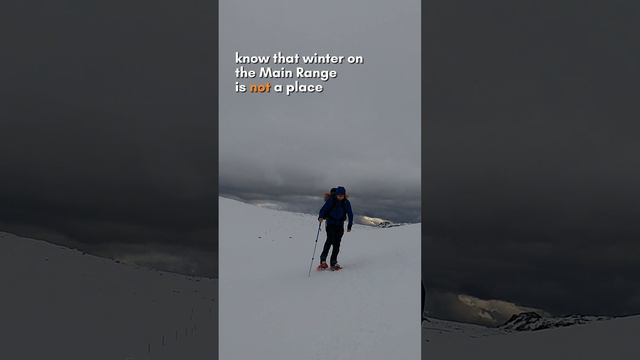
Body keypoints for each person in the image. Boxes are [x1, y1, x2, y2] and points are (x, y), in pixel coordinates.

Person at [317, 186, 353, 271]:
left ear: (344, 195)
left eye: (342, 195)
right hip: (330, 224)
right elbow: (323, 209)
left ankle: (333, 262)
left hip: (340, 225)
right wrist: (320, 217)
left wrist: (349, 225)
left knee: (337, 244)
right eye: (339, 195)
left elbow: (350, 214)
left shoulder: (346, 203)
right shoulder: (331, 201)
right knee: (329, 240)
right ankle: (323, 261)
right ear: (336, 195)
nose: (340, 197)